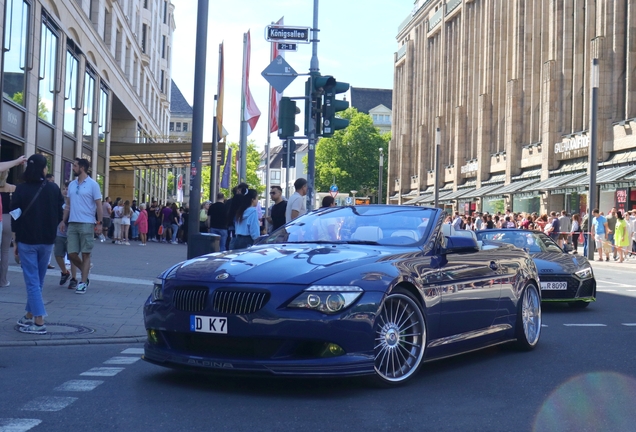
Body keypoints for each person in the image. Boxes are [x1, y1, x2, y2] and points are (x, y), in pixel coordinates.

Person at [12, 154, 64, 334]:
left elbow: (15, 215)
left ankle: (39, 321)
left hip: (27, 239)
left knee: (32, 281)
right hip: (47, 240)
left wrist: (16, 238)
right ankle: (28, 315)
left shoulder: (21, 189)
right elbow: (60, 211)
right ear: (44, 169)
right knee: (38, 280)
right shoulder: (53, 188)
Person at [60, 158, 103, 294]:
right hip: (72, 223)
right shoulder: (72, 184)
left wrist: (99, 223)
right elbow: (68, 204)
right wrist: (63, 220)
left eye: (75, 166)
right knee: (71, 254)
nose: (73, 168)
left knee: (85, 254)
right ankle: (85, 270)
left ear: (82, 168)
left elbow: (99, 205)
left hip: (87, 223)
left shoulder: (93, 184)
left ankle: (83, 282)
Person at [0, 156, 27, 287]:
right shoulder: (12, 188)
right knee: (4, 251)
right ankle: (3, 280)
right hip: (7, 219)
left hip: (1, 218)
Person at [54, 181, 79, 288]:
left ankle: (74, 278)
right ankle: (65, 272)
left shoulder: (75, 202)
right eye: (64, 188)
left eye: (67, 189)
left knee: (72, 256)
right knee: (58, 254)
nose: (65, 190)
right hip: (59, 232)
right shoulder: (58, 202)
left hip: (71, 232)